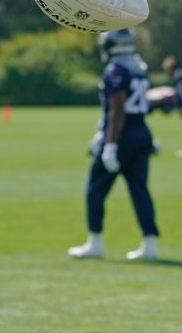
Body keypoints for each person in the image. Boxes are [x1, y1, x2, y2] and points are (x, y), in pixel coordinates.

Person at [69, 28, 160, 261]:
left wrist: (109, 144)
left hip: (122, 137)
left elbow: (117, 110)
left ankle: (95, 242)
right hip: (141, 133)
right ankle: (150, 243)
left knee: (95, 191)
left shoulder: (115, 70)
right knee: (140, 191)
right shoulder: (139, 68)